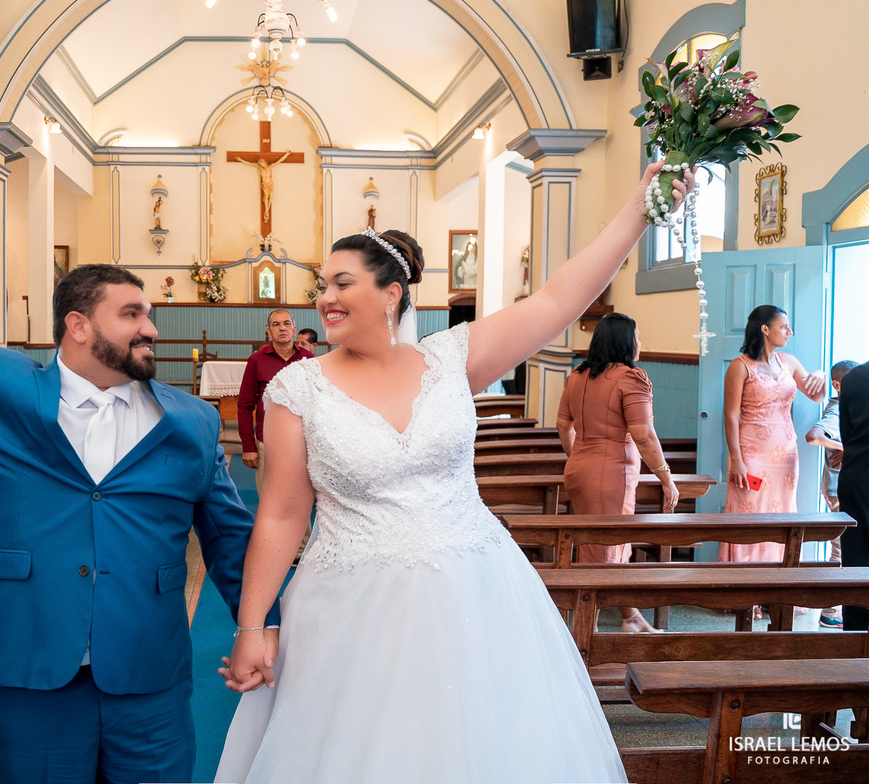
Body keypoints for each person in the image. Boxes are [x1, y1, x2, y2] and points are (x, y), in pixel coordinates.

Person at [213, 163, 693, 784]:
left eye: (341, 283)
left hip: (476, 593)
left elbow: (556, 299)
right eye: (321, 286)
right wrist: (252, 626)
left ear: (391, 293)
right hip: (350, 607)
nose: (324, 297)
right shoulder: (297, 390)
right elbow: (281, 516)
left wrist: (640, 209)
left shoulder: (450, 359)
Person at [0, 186, 276, 784]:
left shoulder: (189, 421)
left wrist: (260, 626)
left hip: (148, 676)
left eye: (148, 314)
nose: (151, 329)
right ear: (78, 325)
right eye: (132, 314)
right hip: (24, 670)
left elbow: (230, 540)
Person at [556, 312, 678, 634]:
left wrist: (578, 456)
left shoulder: (577, 375)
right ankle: (585, 633)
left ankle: (631, 618)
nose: (641, 343)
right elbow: (644, 435)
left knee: (601, 546)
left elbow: (563, 425)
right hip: (611, 474)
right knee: (604, 553)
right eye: (637, 337)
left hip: (580, 469)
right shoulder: (629, 378)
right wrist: (666, 477)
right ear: (625, 342)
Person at [719, 305, 825, 576]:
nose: (790, 331)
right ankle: (743, 580)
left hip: (786, 456)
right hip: (751, 455)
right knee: (749, 512)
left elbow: (817, 396)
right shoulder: (740, 366)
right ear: (765, 329)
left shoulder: (789, 362)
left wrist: (821, 374)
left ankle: (778, 578)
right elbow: (730, 416)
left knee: (782, 513)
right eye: (784, 326)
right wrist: (737, 460)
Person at [806, 359, 858, 628]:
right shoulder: (837, 409)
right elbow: (813, 435)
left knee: (844, 547)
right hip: (838, 489)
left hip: (842, 486)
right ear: (837, 385)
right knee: (841, 549)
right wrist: (843, 448)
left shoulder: (850, 406)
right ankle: (831, 611)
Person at [237, 309, 313, 491]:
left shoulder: (308, 359)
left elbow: (316, 403)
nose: (282, 328)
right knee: (268, 497)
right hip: (267, 441)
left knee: (300, 498)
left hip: (301, 442)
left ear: (294, 330)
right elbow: (245, 406)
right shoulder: (256, 360)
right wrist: (249, 446)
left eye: (287, 323)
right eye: (276, 324)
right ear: (269, 332)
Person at [838, 362, 869, 632]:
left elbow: (846, 434)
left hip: (856, 474)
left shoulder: (853, 378)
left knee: (856, 558)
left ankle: (855, 635)